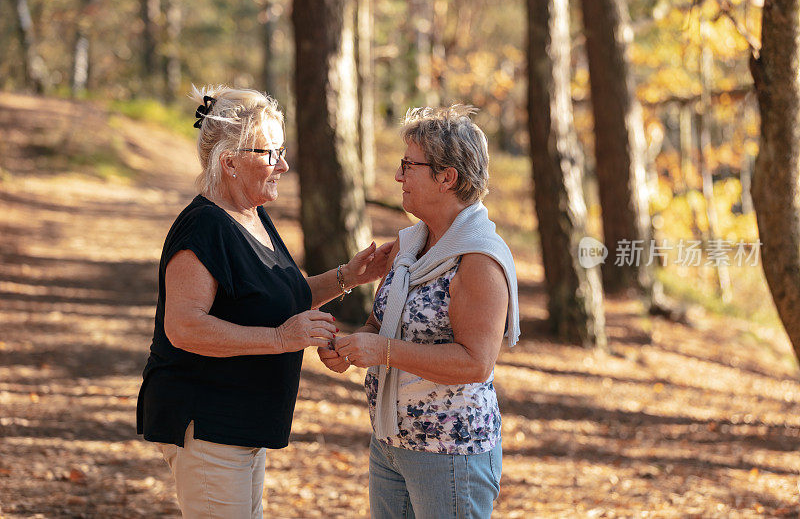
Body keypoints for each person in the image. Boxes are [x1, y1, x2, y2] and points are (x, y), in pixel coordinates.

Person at [136, 85, 391, 518]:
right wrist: (279, 338)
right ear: (230, 162)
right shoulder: (203, 228)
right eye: (270, 153)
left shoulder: (250, 214)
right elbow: (184, 327)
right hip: (208, 424)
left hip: (242, 425)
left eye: (282, 151)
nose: (284, 165)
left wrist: (349, 276)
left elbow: (275, 297)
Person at [319, 105, 520, 518]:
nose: (398, 176)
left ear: (447, 177)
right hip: (390, 442)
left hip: (449, 451)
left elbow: (475, 363)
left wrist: (382, 351)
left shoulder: (477, 260)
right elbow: (382, 324)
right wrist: (349, 347)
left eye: (409, 165)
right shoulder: (411, 246)